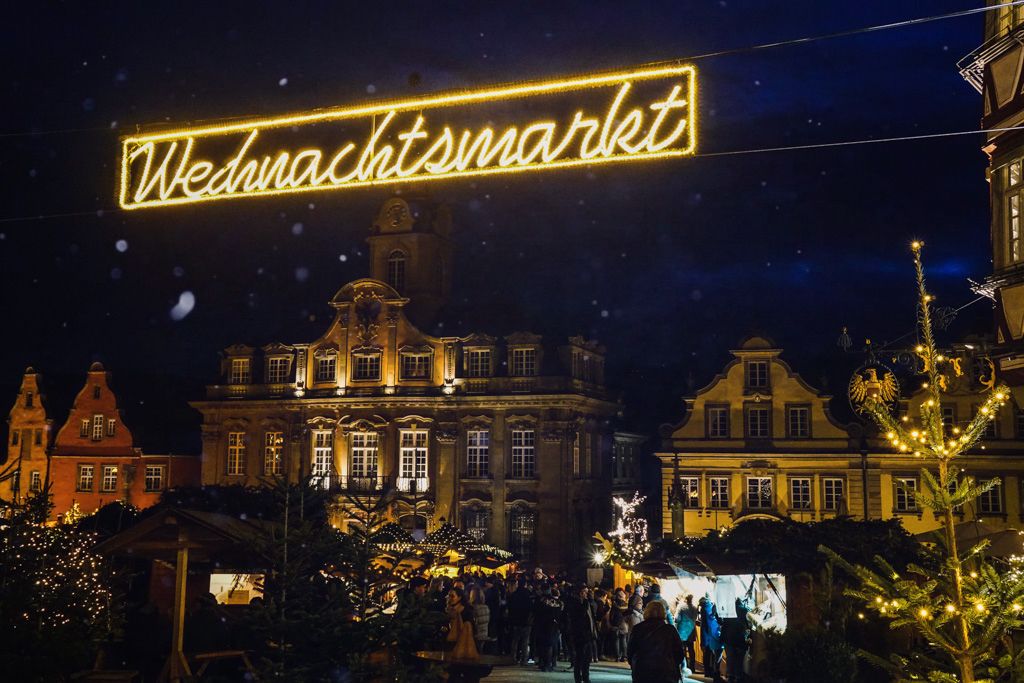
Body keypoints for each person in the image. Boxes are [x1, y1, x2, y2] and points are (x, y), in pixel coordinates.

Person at [626, 601, 685, 683]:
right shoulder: (670, 630)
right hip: (666, 672)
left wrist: (634, 664)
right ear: (663, 613)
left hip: (642, 670)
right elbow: (679, 653)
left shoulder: (638, 629)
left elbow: (630, 651)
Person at [565, 585, 597, 683]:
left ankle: (586, 677)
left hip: (588, 635)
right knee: (579, 658)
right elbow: (579, 617)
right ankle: (578, 679)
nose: (587, 594)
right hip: (579, 635)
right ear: (580, 593)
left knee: (587, 659)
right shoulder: (575, 603)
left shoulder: (587, 603)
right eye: (585, 592)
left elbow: (592, 617)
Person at [532, 585, 563, 672]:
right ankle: (550, 663)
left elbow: (535, 611)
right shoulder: (556, 602)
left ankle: (543, 663)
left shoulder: (540, 600)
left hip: (541, 625)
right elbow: (559, 613)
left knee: (543, 645)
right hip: (553, 625)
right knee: (551, 645)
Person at [507, 580, 534, 665]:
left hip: (515, 621)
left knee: (515, 641)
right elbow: (531, 608)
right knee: (525, 642)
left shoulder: (514, 594)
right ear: (525, 585)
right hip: (526, 621)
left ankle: (513, 658)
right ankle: (524, 660)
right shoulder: (528, 595)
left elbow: (510, 608)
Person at [698, 595, 724, 683]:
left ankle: (708, 672)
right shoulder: (710, 607)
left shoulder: (704, 610)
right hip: (713, 636)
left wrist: (704, 640)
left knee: (707, 654)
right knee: (714, 655)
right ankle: (713, 672)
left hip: (708, 636)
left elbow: (705, 626)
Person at [675, 594, 698, 672]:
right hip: (691, 631)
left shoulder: (681, 607)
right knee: (691, 649)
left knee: (682, 649)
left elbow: (677, 619)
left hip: (682, 631)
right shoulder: (695, 608)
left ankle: (683, 666)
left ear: (685, 599)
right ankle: (692, 667)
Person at [467, 584, 491, 651]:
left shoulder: (473, 609)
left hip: (475, 635)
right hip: (484, 634)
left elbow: (474, 623)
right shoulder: (486, 607)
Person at [611, 589, 630, 662]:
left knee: (616, 640)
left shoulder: (614, 604)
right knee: (623, 640)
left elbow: (612, 615)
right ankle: (624, 656)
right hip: (624, 623)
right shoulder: (626, 604)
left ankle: (617, 656)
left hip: (616, 623)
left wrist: (611, 622)